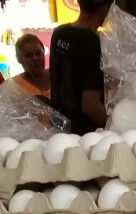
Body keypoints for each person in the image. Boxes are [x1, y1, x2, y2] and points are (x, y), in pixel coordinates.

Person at [49, 0, 112, 134]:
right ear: (105, 8)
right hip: (85, 134)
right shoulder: (92, 42)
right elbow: (90, 105)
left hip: (58, 128)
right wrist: (115, 127)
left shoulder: (59, 33)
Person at [12, 34, 50, 99]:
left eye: (38, 53)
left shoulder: (59, 78)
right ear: (19, 59)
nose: (35, 58)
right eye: (28, 55)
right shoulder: (13, 87)